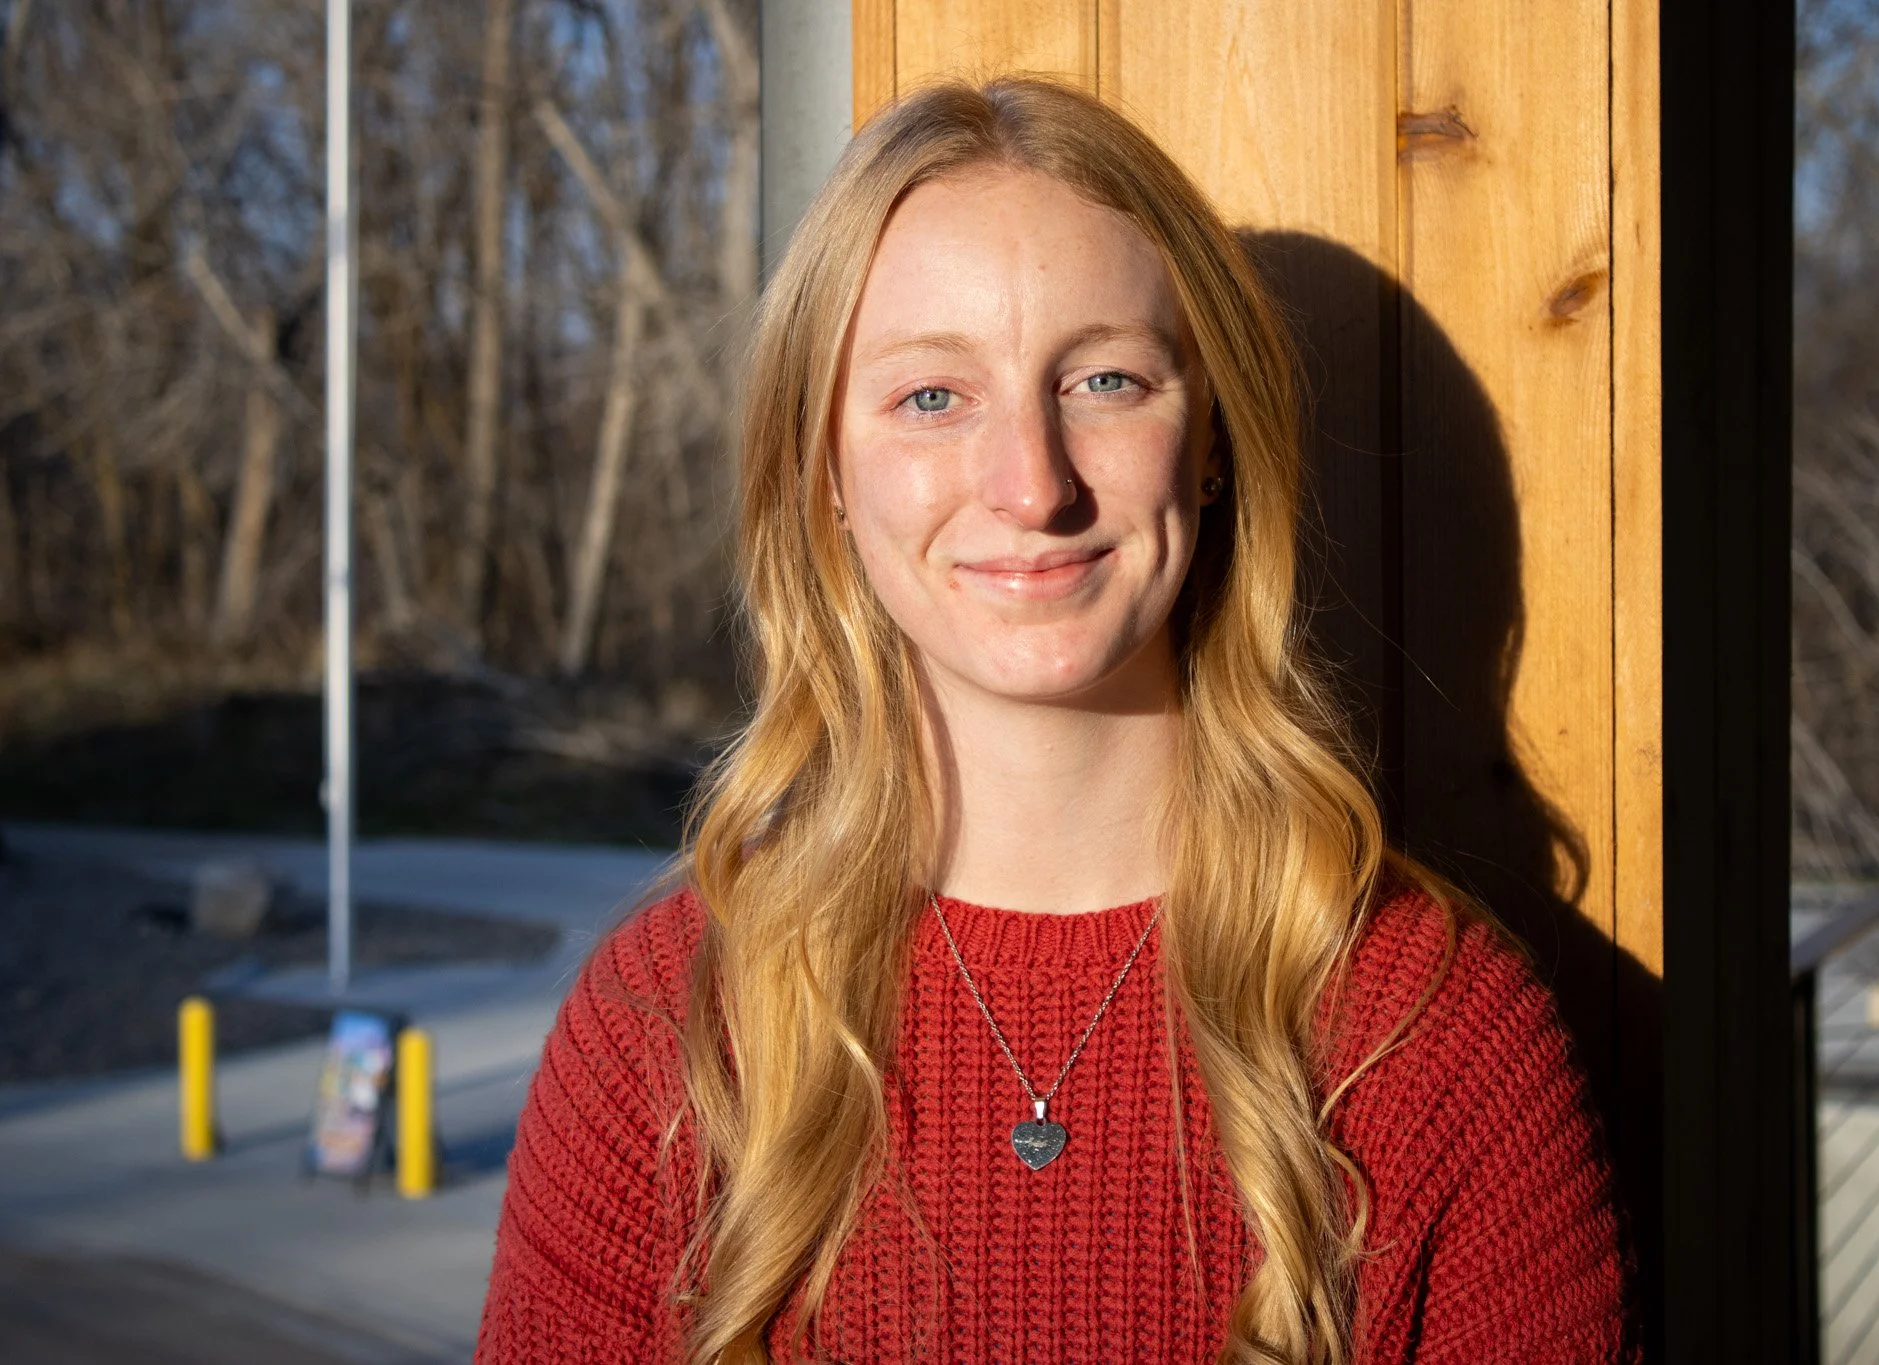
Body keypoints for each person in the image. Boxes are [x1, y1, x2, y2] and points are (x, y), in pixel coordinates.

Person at [476, 76, 1633, 1364]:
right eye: (931, 397)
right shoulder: (667, 1037)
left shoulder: (1439, 1038)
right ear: (826, 475)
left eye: (1106, 381)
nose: (1031, 484)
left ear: (1212, 442)